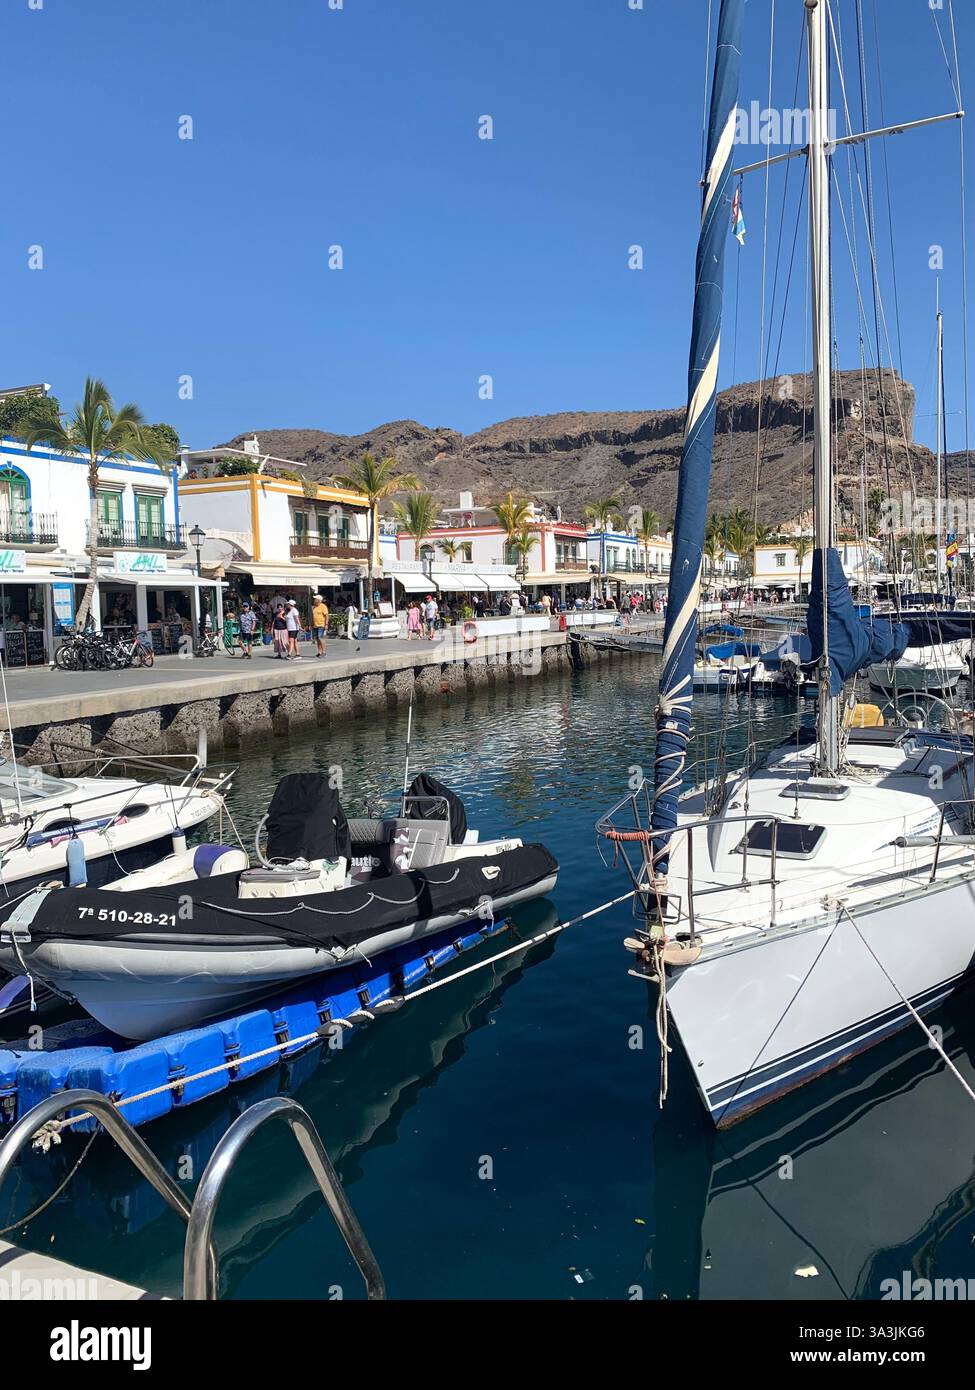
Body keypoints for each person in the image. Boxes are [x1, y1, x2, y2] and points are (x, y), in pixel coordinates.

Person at [311, 592, 329, 657]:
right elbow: (313, 616)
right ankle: (319, 652)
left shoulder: (323, 606)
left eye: (315, 599)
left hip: (321, 625)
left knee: (321, 638)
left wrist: (326, 624)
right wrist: (312, 624)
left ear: (318, 600)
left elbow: (326, 616)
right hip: (315, 625)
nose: (314, 600)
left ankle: (324, 652)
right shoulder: (314, 607)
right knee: (317, 639)